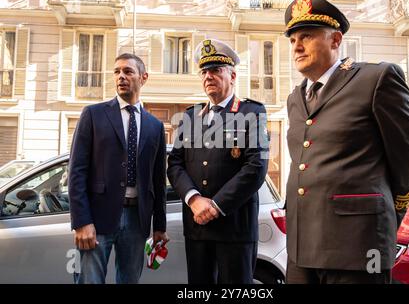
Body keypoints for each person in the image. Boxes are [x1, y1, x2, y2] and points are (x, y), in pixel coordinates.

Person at [284, 0, 409, 284]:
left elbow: (408, 155)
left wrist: (386, 213)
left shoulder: (376, 78)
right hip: (301, 247)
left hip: (358, 244)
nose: (297, 46)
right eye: (293, 39)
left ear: (335, 40)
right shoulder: (295, 98)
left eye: (307, 36)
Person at [167, 39, 269, 284]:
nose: (208, 76)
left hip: (234, 227)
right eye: (204, 71)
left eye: (216, 70)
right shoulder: (190, 116)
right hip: (197, 228)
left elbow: (256, 167)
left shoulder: (252, 112)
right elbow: (175, 164)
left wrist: (214, 206)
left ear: (232, 76)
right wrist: (193, 199)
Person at [69, 53, 168, 284]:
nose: (121, 76)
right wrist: (82, 221)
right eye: (117, 72)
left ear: (143, 77)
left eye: (128, 71)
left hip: (137, 220)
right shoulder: (93, 114)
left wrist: (160, 227)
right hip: (97, 217)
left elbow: (158, 180)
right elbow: (76, 171)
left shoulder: (155, 126)